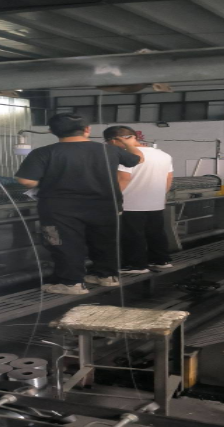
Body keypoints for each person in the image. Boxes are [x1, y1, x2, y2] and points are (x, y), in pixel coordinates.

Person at [15, 114, 143, 295]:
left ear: (52, 131)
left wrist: (46, 181)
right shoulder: (109, 150)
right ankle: (106, 276)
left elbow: (26, 180)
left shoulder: (43, 152)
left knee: (64, 243)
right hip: (105, 206)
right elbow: (138, 159)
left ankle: (71, 283)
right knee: (105, 241)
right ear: (87, 129)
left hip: (60, 209)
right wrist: (129, 143)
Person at [104, 126, 173, 273]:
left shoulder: (126, 155)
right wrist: (161, 196)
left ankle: (136, 265)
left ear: (114, 140)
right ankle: (161, 260)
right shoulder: (163, 155)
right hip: (156, 203)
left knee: (132, 235)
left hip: (131, 202)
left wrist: (112, 199)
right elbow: (168, 178)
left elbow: (123, 179)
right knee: (156, 232)